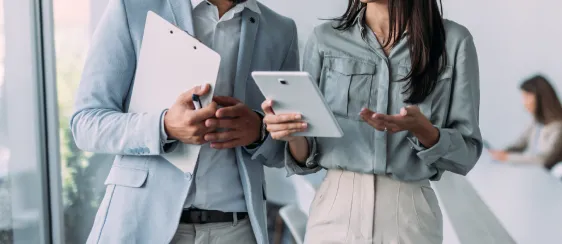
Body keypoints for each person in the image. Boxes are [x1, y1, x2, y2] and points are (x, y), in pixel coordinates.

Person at [70, 0, 299, 243]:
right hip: (142, 223)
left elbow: (288, 149)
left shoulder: (280, 30)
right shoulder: (132, 8)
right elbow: (86, 123)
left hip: (237, 230)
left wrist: (259, 133)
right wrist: (164, 126)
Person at [262, 0, 482, 243]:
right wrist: (292, 133)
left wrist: (425, 132)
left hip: (410, 215)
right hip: (334, 212)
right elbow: (307, 156)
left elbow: (467, 154)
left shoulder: (454, 42)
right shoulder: (325, 39)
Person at [490, 75, 562, 169]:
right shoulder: (537, 122)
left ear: (541, 98)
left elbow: (545, 160)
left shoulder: (558, 127)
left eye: (527, 97)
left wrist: (507, 157)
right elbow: (521, 143)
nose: (524, 103)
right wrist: (505, 152)